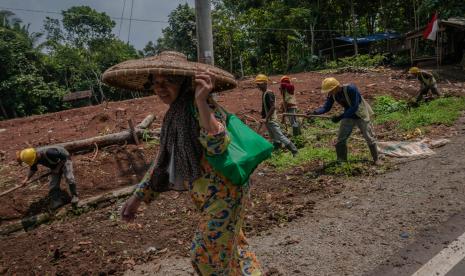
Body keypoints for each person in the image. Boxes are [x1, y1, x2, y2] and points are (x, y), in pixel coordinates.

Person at [112, 52, 262, 275]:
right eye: (156, 82)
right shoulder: (175, 114)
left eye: (168, 81)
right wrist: (137, 198)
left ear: (184, 82)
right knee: (230, 249)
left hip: (225, 194)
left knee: (205, 254)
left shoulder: (200, 105)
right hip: (207, 196)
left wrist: (201, 100)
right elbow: (162, 161)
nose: (160, 88)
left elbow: (217, 145)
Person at [311, 77, 380, 165]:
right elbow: (326, 107)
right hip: (348, 115)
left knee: (369, 136)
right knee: (341, 138)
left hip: (360, 113)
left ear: (336, 87)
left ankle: (376, 159)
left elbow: (355, 106)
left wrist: (340, 117)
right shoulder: (332, 95)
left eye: (330, 90)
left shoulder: (351, 88)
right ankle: (341, 161)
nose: (329, 92)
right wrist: (315, 112)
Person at [255, 74, 298, 156]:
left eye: (259, 84)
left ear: (265, 83)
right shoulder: (264, 93)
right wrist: (263, 117)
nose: (258, 86)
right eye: (257, 84)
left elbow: (273, 107)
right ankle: (277, 151)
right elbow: (265, 108)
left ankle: (294, 150)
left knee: (280, 136)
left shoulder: (268, 94)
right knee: (273, 137)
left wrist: (266, 118)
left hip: (271, 120)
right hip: (268, 120)